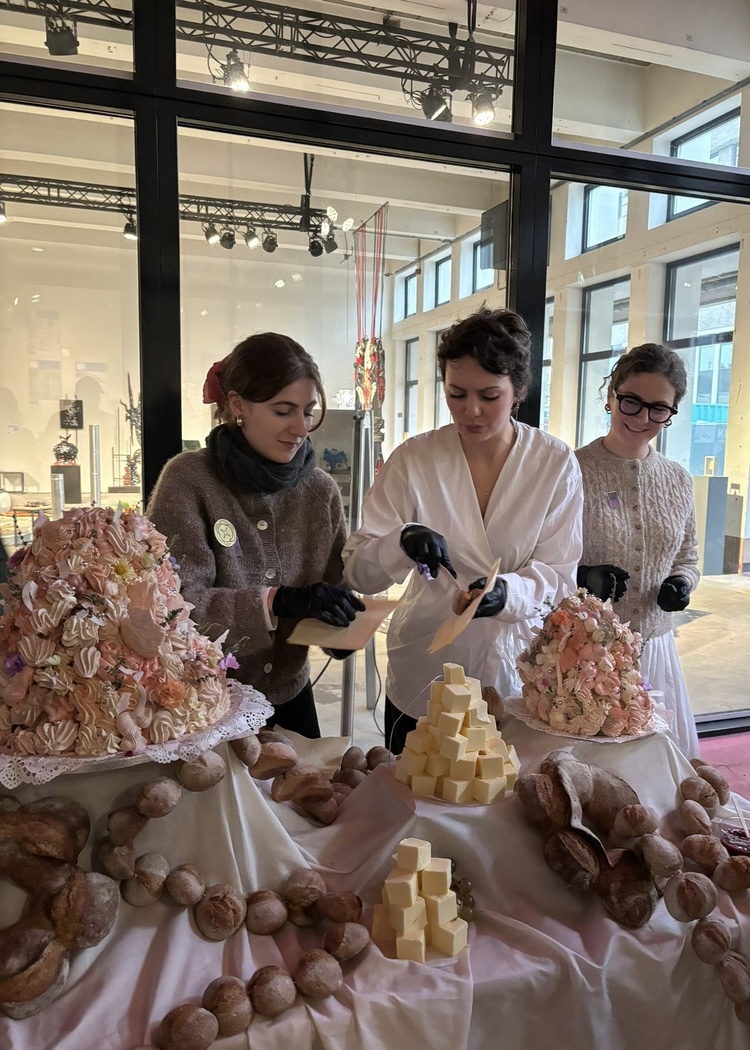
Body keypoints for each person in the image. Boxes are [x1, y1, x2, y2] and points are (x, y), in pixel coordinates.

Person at [343, 307, 583, 753]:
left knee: (508, 791)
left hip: (519, 671)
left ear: (518, 391)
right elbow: (359, 572)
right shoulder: (415, 460)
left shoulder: (553, 464)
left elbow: (560, 575)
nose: (470, 411)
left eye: (489, 396)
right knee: (415, 789)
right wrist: (401, 542)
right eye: (456, 394)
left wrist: (507, 593)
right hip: (424, 666)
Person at [147, 332, 364, 738]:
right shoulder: (189, 481)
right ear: (237, 405)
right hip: (203, 704)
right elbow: (171, 609)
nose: (300, 428)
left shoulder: (320, 491)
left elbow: (333, 593)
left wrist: (340, 625)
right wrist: (275, 602)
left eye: (308, 412)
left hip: (291, 699)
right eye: (283, 411)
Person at [575, 342, 700, 757]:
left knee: (657, 772)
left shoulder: (678, 480)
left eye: (658, 408)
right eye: (631, 401)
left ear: (671, 412)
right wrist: (581, 576)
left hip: (656, 651)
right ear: (612, 395)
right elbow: (543, 556)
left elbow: (687, 556)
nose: (643, 418)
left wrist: (682, 583)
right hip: (585, 655)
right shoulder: (571, 470)